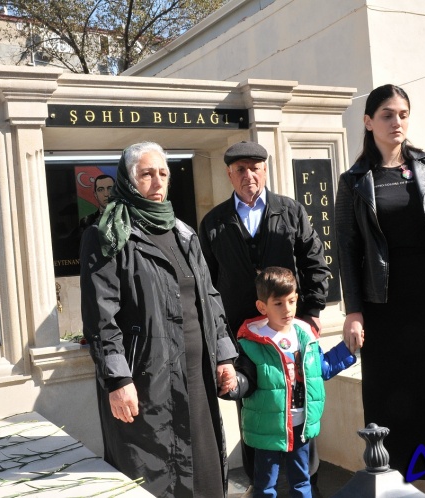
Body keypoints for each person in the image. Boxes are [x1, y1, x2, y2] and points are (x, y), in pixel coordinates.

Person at [335, 84, 425, 498]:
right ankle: (394, 484)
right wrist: (354, 311)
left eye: (402, 113)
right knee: (391, 394)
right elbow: (347, 248)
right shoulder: (354, 181)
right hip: (384, 303)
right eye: (386, 114)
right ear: (368, 122)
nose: (396, 121)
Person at [80, 141, 238, 498]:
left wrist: (225, 356)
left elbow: (210, 297)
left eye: (162, 173)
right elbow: (101, 317)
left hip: (197, 377)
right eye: (146, 174)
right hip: (148, 381)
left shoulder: (183, 233)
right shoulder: (107, 235)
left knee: (206, 474)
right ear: (127, 179)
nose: (157, 182)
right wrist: (118, 378)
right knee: (155, 476)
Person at [199, 140, 331, 489]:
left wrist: (313, 313)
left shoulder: (290, 211)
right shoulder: (213, 223)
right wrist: (219, 337)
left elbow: (315, 262)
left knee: (299, 404)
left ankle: (308, 485)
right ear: (229, 174)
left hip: (290, 335)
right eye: (240, 169)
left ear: (265, 170)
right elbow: (206, 286)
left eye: (254, 168)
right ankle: (264, 486)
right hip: (245, 341)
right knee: (255, 411)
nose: (248, 175)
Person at [225, 267, 355, 498]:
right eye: (278, 304)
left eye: (292, 301)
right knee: (265, 485)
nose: (287, 309)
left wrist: (347, 350)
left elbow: (320, 369)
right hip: (268, 428)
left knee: (301, 481)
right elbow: (246, 381)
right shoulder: (251, 342)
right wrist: (233, 384)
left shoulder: (305, 335)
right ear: (262, 307)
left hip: (301, 425)